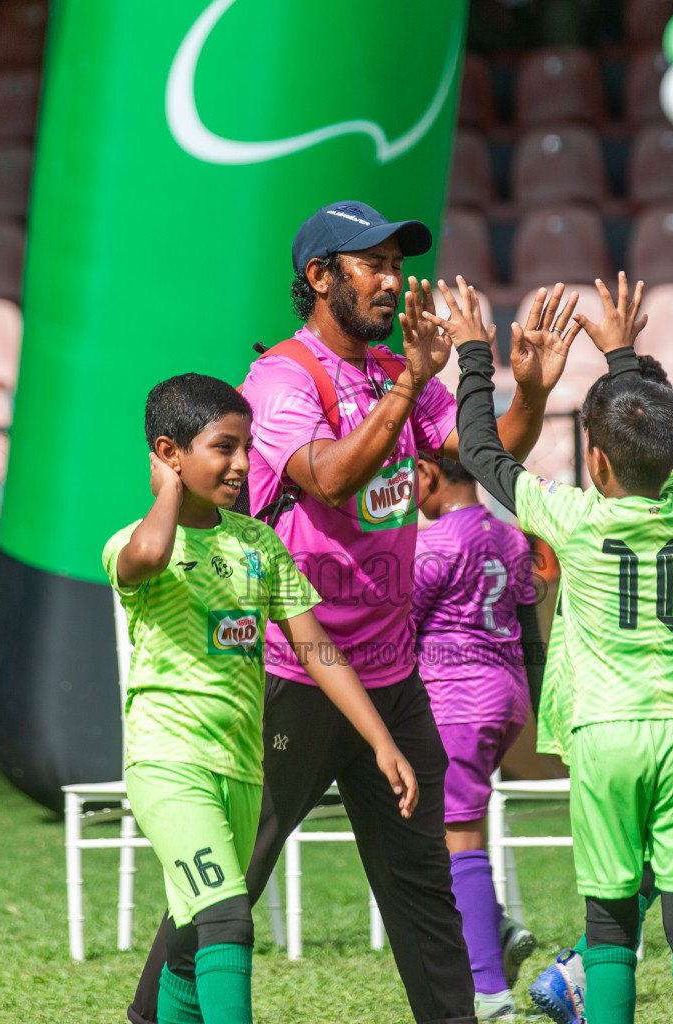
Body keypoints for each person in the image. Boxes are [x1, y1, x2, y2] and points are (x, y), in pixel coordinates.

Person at [127, 201, 578, 1024]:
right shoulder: (280, 381)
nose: (392, 278)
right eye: (370, 263)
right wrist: (410, 382)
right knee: (225, 885)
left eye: (396, 262)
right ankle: (153, 1015)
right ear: (320, 277)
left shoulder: (391, 372)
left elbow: (483, 453)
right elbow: (330, 477)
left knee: (424, 893)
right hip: (292, 673)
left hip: (392, 675)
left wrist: (535, 391)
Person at [428, 273, 673, 1024]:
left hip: (603, 733)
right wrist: (622, 355)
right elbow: (652, 439)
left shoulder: (571, 517)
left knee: (611, 922)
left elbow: (475, 448)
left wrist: (473, 352)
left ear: (594, 463)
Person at [105, 373, 419, 1024]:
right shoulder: (133, 544)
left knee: (192, 942)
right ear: (170, 454)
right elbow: (151, 552)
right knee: (227, 918)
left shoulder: (257, 545)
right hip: (171, 769)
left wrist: (380, 739)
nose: (244, 464)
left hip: (241, 773)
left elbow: (318, 649)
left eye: (247, 447)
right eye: (223, 447)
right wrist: (166, 491)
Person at [410, 455, 545, 1019]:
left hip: (456, 702)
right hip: (506, 696)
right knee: (459, 832)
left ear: (429, 472)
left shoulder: (433, 544)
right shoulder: (513, 539)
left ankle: (489, 991)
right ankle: (498, 927)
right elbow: (530, 624)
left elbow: (401, 624)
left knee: (457, 840)